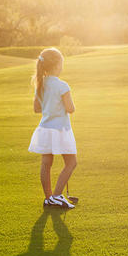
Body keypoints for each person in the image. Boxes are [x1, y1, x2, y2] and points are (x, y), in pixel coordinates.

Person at [29, 48, 77, 209]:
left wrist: (50, 106)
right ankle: (57, 196)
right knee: (71, 162)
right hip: (60, 130)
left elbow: (37, 108)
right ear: (57, 66)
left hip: (45, 129)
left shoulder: (40, 84)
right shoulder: (62, 85)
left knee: (46, 163)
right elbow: (70, 108)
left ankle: (49, 198)